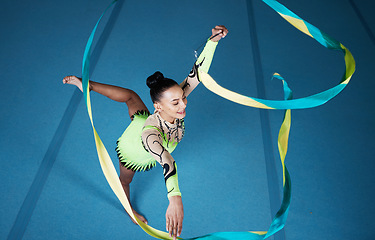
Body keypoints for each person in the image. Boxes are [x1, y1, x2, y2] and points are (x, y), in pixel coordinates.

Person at [63, 25, 228, 239]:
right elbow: (166, 159)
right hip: (132, 149)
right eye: (176, 102)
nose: (183, 105)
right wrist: (174, 197)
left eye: (183, 97)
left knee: (131, 97)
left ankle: (88, 85)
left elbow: (197, 74)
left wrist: (212, 42)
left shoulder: (171, 103)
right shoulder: (150, 135)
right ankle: (129, 210)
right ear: (158, 106)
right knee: (125, 180)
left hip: (148, 119)